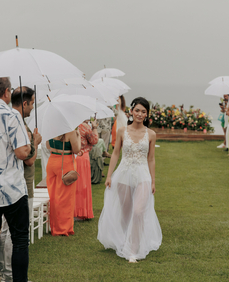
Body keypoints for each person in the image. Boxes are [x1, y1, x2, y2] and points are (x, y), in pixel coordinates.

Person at [0, 77, 44, 282]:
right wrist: (33, 142)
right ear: (7, 92)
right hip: (11, 189)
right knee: (20, 241)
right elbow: (23, 153)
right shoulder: (11, 115)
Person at [97, 97, 162, 263]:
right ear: (131, 111)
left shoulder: (151, 134)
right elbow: (116, 153)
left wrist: (153, 181)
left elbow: (151, 159)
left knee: (139, 211)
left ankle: (133, 249)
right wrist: (110, 174)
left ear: (147, 115)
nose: (140, 114)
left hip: (143, 175)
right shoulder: (121, 131)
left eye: (144, 111)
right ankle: (124, 239)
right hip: (124, 174)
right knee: (126, 213)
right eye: (137, 110)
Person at [0, 87, 42, 282]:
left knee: (7, 231)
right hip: (19, 184)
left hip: (10, 184)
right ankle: (9, 275)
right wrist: (36, 142)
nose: (32, 107)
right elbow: (29, 160)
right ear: (24, 103)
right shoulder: (17, 123)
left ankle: (7, 272)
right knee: (13, 233)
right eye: (32, 103)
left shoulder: (11, 119)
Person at [46, 130, 81, 236]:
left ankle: (54, 226)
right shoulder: (71, 132)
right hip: (65, 163)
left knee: (53, 195)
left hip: (52, 161)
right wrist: (78, 136)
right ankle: (63, 228)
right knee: (65, 197)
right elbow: (76, 150)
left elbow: (48, 146)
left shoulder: (50, 129)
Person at [74, 120, 98, 219]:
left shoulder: (72, 125)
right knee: (83, 185)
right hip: (83, 157)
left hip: (73, 156)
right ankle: (82, 212)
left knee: (75, 185)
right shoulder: (85, 126)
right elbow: (94, 140)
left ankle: (74, 211)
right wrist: (95, 127)